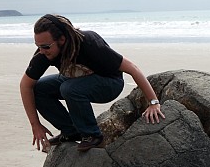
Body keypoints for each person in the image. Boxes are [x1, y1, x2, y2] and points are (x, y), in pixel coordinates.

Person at [20, 14, 165, 153]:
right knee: (39, 88)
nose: (41, 51)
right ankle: (71, 131)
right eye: (38, 46)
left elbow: (132, 68)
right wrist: (35, 125)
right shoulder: (45, 52)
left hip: (109, 83)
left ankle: (92, 135)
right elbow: (25, 85)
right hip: (75, 80)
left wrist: (153, 102)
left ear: (62, 40)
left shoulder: (88, 42)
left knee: (69, 89)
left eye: (45, 46)